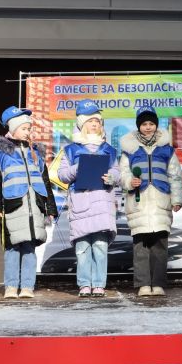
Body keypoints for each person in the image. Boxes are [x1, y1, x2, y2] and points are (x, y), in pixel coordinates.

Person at [0, 106, 57, 299]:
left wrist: (50, 207)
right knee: (12, 248)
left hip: (34, 207)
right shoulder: (0, 152)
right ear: (13, 127)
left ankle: (27, 286)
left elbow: (45, 181)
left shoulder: (35, 152)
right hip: (12, 206)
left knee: (29, 247)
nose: (29, 132)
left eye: (29, 128)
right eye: (25, 128)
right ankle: (11, 286)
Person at [120, 106, 182, 297]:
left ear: (156, 125)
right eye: (144, 124)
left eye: (151, 123)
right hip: (138, 204)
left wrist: (177, 198)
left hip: (160, 203)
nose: (148, 127)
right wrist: (129, 181)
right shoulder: (129, 150)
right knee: (141, 247)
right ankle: (143, 284)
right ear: (138, 126)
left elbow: (175, 176)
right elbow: (122, 173)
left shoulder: (166, 149)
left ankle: (158, 283)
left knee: (160, 246)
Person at [58, 100, 119, 298]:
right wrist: (80, 167)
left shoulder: (109, 149)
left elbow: (118, 173)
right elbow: (62, 175)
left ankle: (99, 284)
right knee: (83, 248)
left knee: (100, 246)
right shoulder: (71, 149)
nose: (95, 124)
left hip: (102, 203)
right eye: (91, 121)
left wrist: (112, 177)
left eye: (98, 121)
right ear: (82, 124)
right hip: (81, 204)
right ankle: (84, 284)